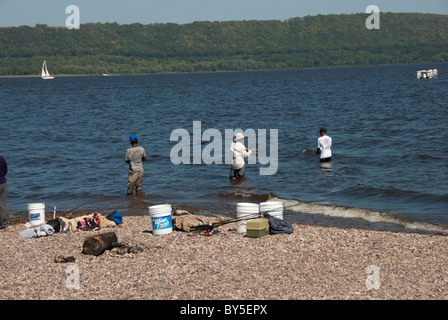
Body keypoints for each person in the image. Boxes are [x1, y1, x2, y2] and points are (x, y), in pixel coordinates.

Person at [0, 155, 9, 230]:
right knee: (3, 203)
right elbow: (5, 170)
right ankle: (5, 223)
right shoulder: (2, 158)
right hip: (2, 182)